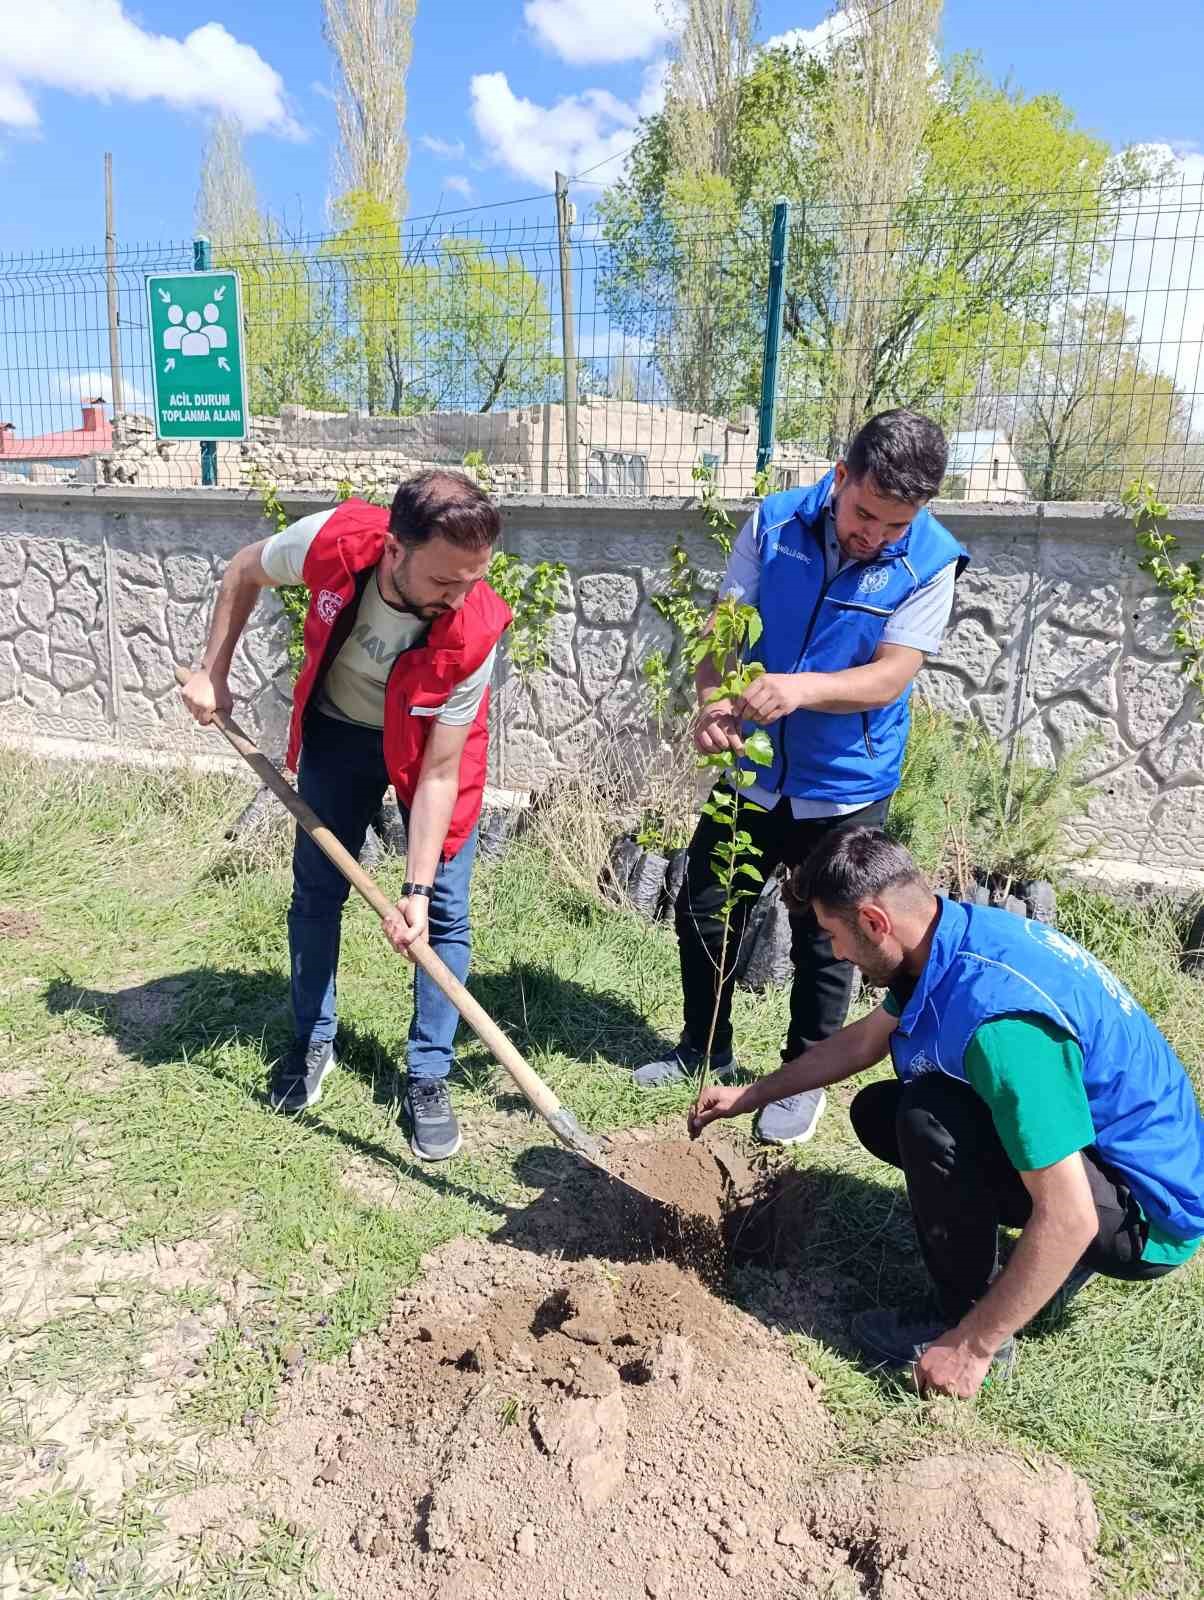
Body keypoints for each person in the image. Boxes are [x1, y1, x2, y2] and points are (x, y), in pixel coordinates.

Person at [690, 828, 1204, 1397]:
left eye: (835, 935)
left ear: (874, 921)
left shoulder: (1001, 1027)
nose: (834, 953)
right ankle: (1037, 1269)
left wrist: (972, 1345)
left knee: (927, 1117)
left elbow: (1072, 1216)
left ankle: (962, 1316)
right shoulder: (948, 938)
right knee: (884, 1110)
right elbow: (865, 1041)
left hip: (1148, 1217)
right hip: (1111, 1159)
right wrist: (753, 1094)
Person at [635, 409, 968, 1151]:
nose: (874, 535)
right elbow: (727, 627)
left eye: (894, 525)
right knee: (707, 900)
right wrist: (713, 705)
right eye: (865, 514)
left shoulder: (932, 561)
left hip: (845, 783)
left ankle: (801, 1079)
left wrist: (799, 688)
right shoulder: (775, 523)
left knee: (830, 936)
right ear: (840, 477)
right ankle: (704, 1044)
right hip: (753, 771)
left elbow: (891, 675)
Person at [180, 470, 510, 1162]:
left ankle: (428, 1075)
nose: (461, 596)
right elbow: (244, 569)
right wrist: (213, 670)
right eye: (447, 580)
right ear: (394, 550)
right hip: (340, 731)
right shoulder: (332, 539)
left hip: (428, 751)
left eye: (475, 577)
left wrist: (413, 891)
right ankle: (311, 1040)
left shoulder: (474, 625)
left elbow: (444, 773)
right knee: (317, 892)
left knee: (443, 913)